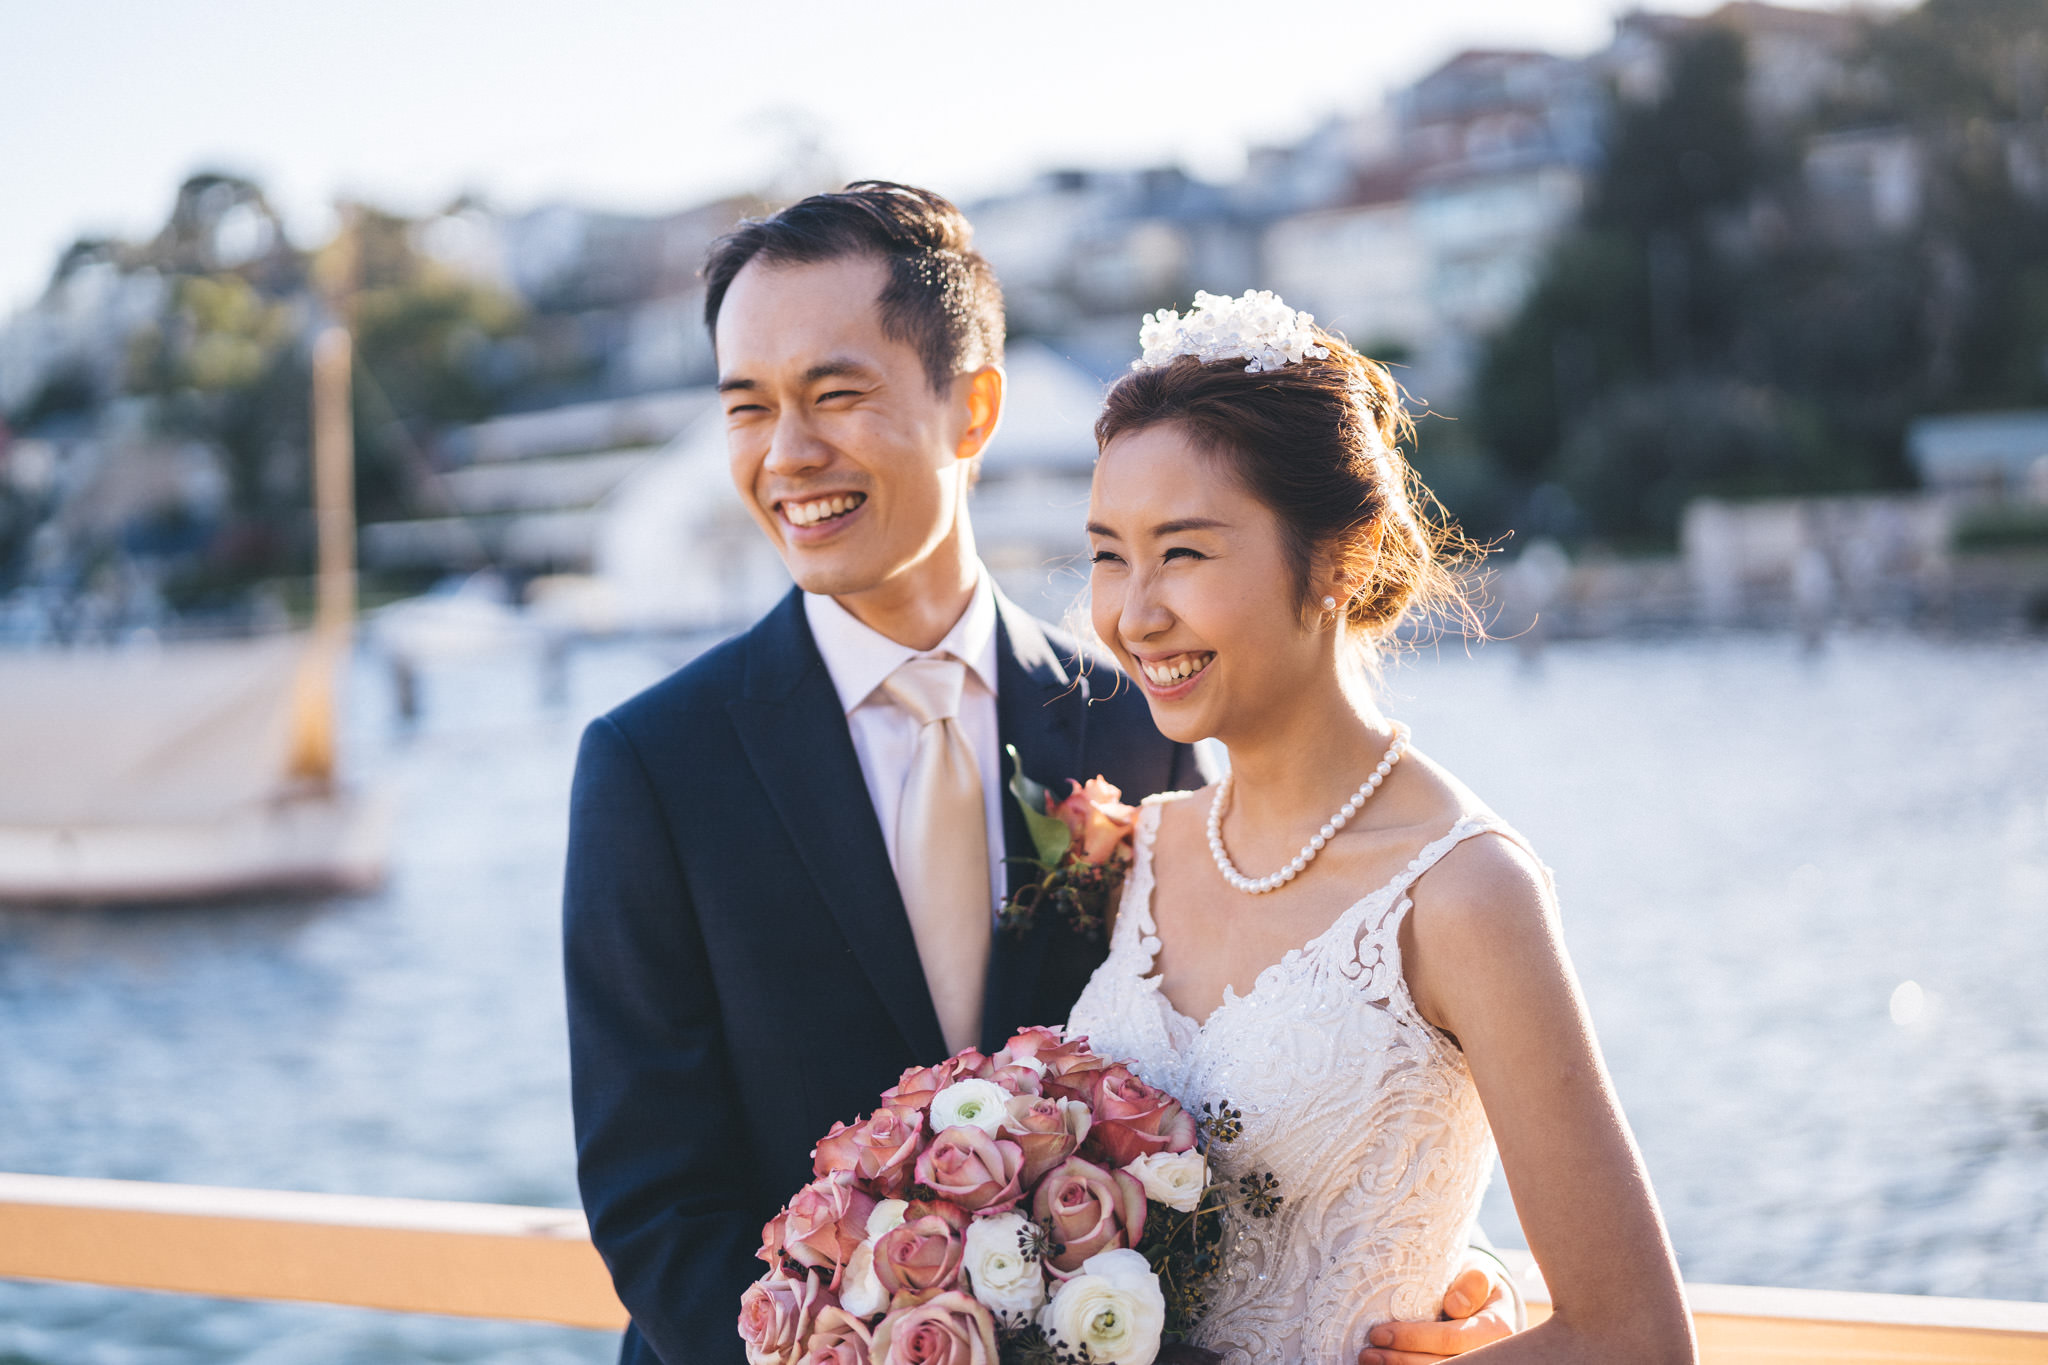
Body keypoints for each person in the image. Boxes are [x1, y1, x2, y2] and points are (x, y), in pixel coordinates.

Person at [562, 184, 1517, 1364]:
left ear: (972, 408)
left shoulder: (1142, 714)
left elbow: (1243, 1094)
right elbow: (653, 1205)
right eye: (746, 408)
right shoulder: (650, 766)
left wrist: (1436, 1264)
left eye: (835, 393)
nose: (786, 453)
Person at [1066, 291, 1698, 1365]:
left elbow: (1633, 1337)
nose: (1133, 612)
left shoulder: (1463, 891)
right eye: (1107, 554)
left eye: (1182, 553)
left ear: (1339, 563)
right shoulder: (1143, 850)